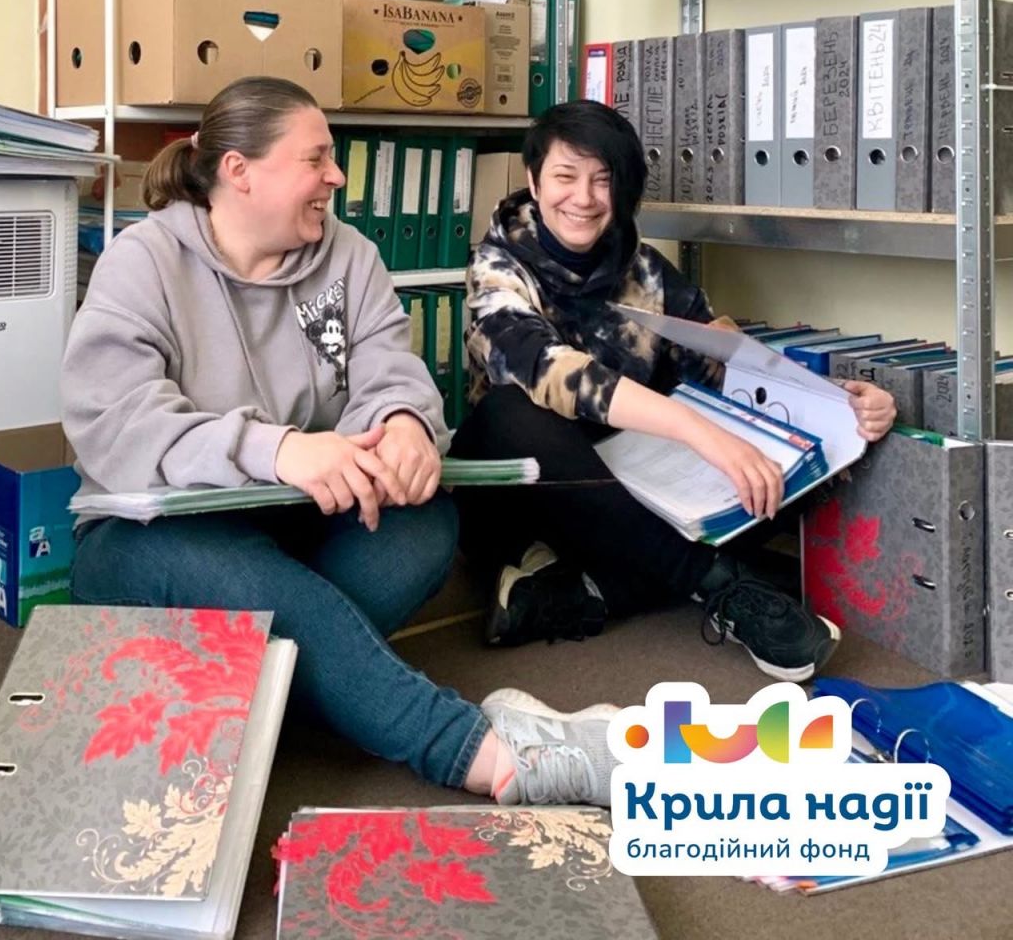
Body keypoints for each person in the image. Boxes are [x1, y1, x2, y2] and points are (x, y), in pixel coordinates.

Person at [60, 76, 625, 809]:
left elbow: (390, 369)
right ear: (239, 171)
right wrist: (278, 450)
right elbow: (117, 424)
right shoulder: (142, 260)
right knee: (249, 581)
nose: (336, 176)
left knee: (424, 524)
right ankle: (488, 757)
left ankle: (277, 686)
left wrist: (405, 425)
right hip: (152, 538)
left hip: (303, 522)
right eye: (316, 159)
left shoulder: (348, 255)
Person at [449, 99, 897, 683]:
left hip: (636, 492)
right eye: (565, 177)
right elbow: (550, 372)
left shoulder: (643, 268)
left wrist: (839, 402)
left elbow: (723, 366)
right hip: (530, 496)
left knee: (772, 462)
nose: (583, 198)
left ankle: (574, 595)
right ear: (534, 182)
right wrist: (699, 432)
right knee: (510, 412)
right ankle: (718, 583)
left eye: (603, 180)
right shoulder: (496, 267)